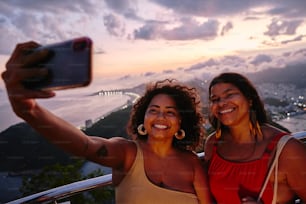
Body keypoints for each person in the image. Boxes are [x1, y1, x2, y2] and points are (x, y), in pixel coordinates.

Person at [2, 42, 212, 204]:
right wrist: (29, 110)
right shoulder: (127, 154)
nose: (160, 117)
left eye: (170, 112)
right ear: (143, 118)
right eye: (154, 110)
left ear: (182, 122)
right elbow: (85, 145)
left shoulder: (192, 163)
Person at [204, 72, 306, 203]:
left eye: (229, 95)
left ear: (250, 99)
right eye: (215, 99)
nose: (221, 103)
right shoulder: (213, 143)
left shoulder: (287, 150)